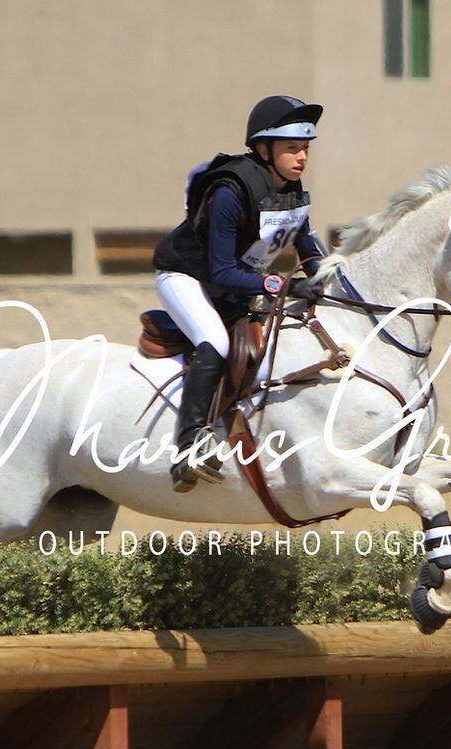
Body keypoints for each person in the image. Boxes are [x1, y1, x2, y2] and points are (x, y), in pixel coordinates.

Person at [151, 95, 329, 493]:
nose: (301, 158)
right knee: (213, 339)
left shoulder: (292, 191)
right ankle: (189, 444)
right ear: (264, 149)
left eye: (305, 149)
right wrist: (283, 285)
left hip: (235, 283)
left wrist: (330, 280)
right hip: (186, 276)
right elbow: (222, 272)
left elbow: (310, 252)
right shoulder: (230, 190)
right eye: (292, 148)